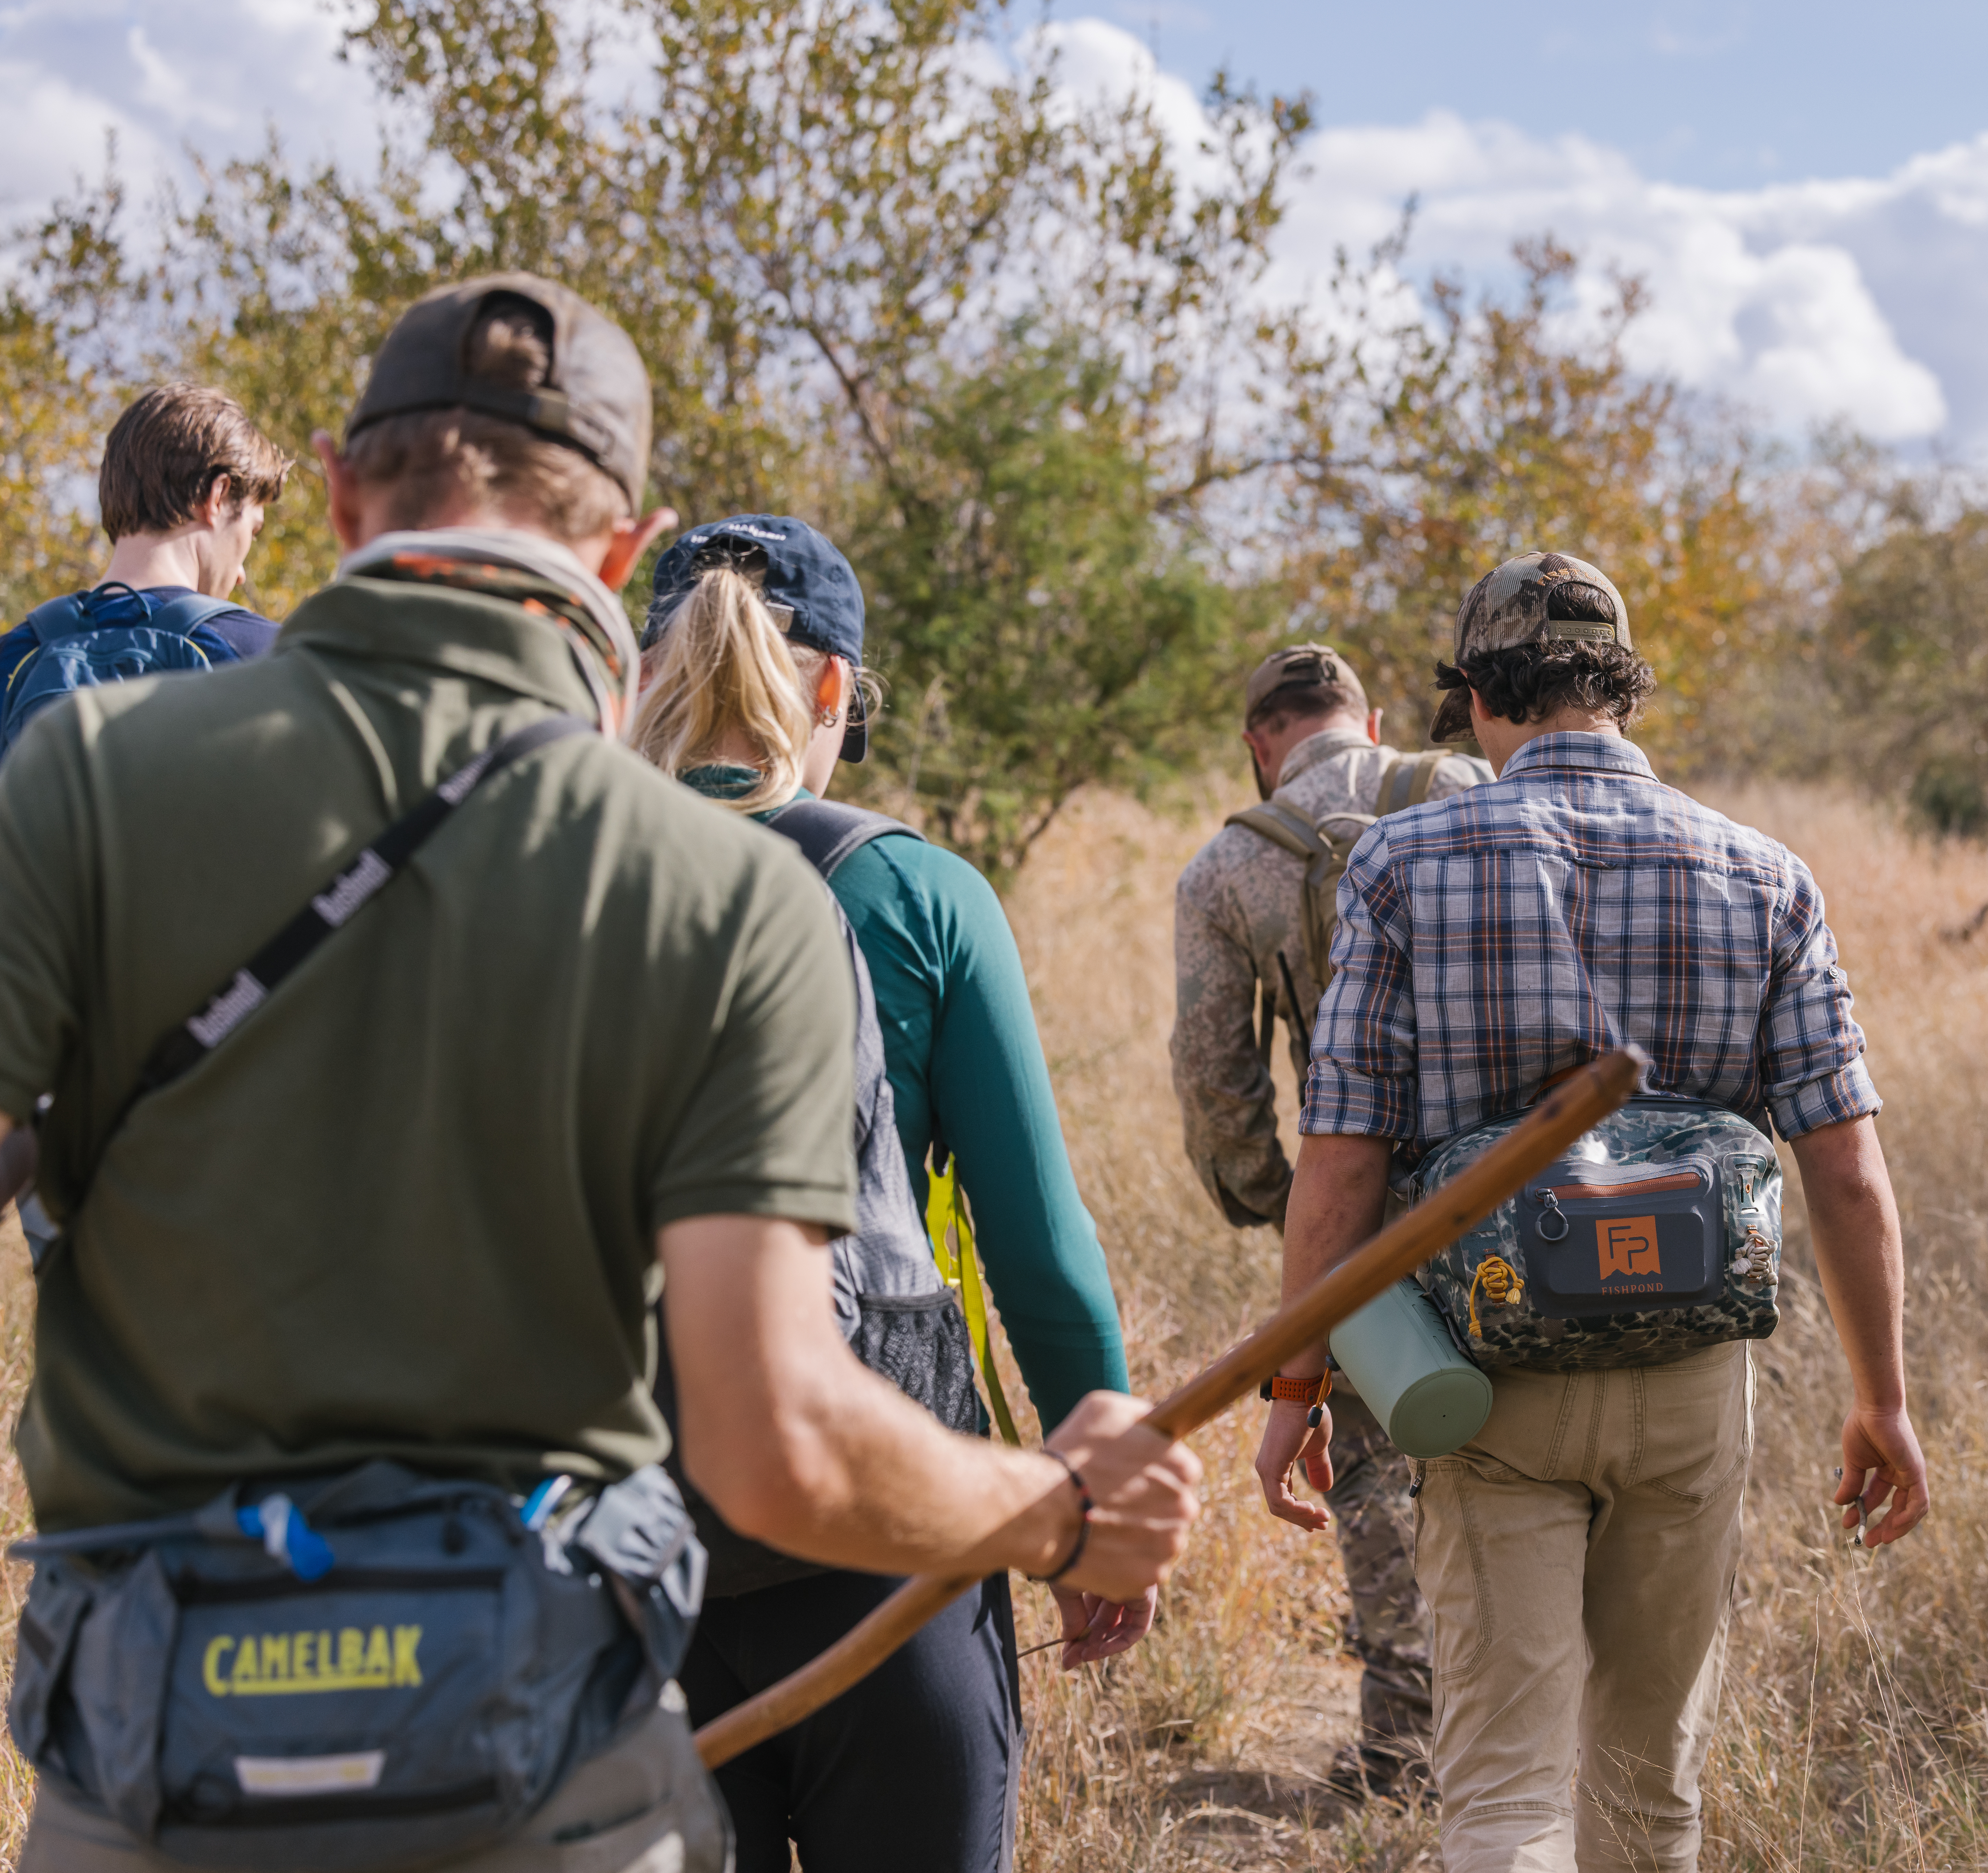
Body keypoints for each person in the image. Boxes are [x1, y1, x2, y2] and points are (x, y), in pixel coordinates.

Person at [0, 273, 1199, 1873]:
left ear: (341, 494)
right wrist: (1054, 1509)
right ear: (626, 553)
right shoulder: (733, 900)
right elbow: (778, 1439)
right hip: (524, 1771)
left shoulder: (73, 784)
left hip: (151, 1762)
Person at [1252, 552, 1932, 1872]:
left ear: (1475, 696)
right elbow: (1844, 1167)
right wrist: (1881, 1396)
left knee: (1506, 1793)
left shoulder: (1396, 863)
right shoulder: (1767, 873)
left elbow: (1336, 1163)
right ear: (1615, 684)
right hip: (1689, 1382)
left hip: (1482, 1382)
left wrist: (1294, 1377)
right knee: (1647, 1791)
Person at [633, 512, 1143, 1870]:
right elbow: (1035, 1246)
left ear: (640, 675)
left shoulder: (554, 881)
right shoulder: (916, 890)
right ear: (834, 691)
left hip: (632, 1577)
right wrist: (1086, 1503)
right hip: (890, 1556)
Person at [1171, 642, 1488, 1800]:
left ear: (1261, 742)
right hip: (1512, 1184)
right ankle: (1545, 1717)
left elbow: (1215, 1073)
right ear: (1370, 716)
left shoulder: (1226, 869)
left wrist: (1270, 1197)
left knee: (1370, 1469)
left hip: (1348, 1214)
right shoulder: (1462, 789)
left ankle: (1407, 1749)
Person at [0, 383, 291, 761]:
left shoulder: (15, 657)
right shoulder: (270, 658)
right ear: (218, 496)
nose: (240, 576)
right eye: (252, 531)